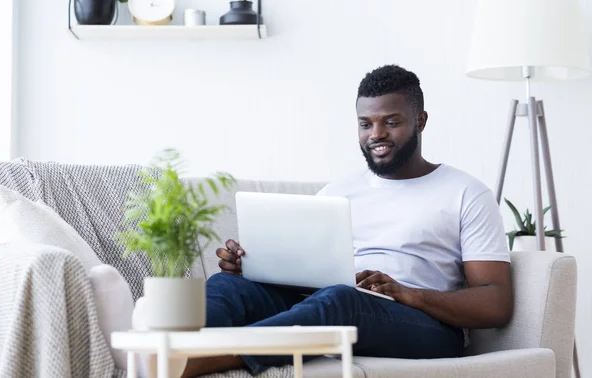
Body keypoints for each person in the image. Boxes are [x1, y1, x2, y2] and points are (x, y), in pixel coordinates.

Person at [181, 64, 513, 377]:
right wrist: (254, 267)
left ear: (421, 121)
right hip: (333, 303)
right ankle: (179, 351)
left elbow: (495, 302)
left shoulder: (465, 192)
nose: (376, 134)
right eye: (366, 124)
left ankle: (208, 359)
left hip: (425, 326)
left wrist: (410, 294)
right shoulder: (337, 192)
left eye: (391, 122)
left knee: (341, 300)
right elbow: (303, 275)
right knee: (229, 286)